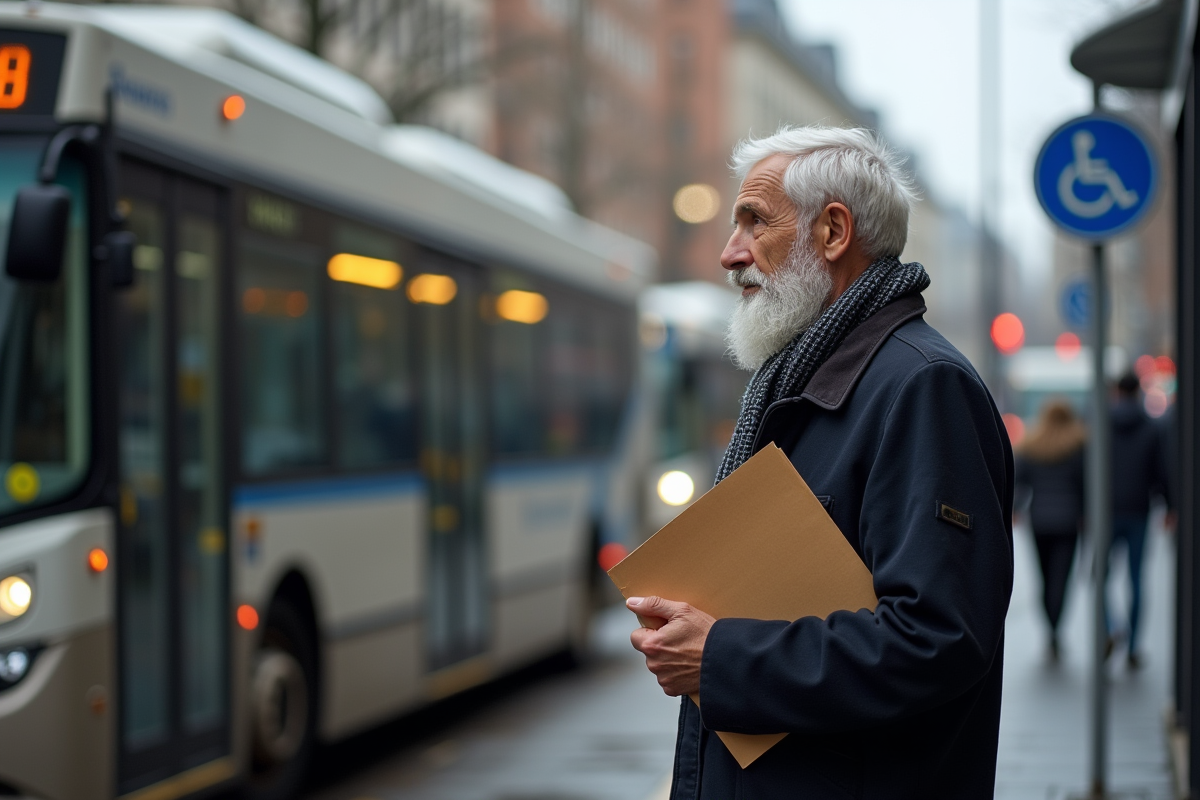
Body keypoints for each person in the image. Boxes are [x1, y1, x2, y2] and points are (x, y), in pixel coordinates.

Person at [627, 126, 1013, 799]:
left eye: (753, 222)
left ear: (833, 233)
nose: (728, 254)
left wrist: (721, 657)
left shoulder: (922, 386)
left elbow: (938, 638)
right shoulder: (796, 382)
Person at [1014, 400, 1087, 662]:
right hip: (1068, 521)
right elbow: (1086, 484)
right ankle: (1056, 628)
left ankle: (1049, 629)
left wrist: (1014, 509)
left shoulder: (1033, 444)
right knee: (1061, 579)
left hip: (1040, 520)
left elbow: (1018, 480)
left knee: (1044, 578)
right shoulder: (1078, 445)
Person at [1108, 372, 1170, 669]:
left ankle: (1111, 627)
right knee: (1136, 579)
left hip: (1106, 510)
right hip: (1139, 510)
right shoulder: (1150, 427)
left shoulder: (1103, 424)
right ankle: (1133, 646)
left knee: (1101, 579)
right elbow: (1161, 469)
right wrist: (1170, 505)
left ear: (1118, 391)